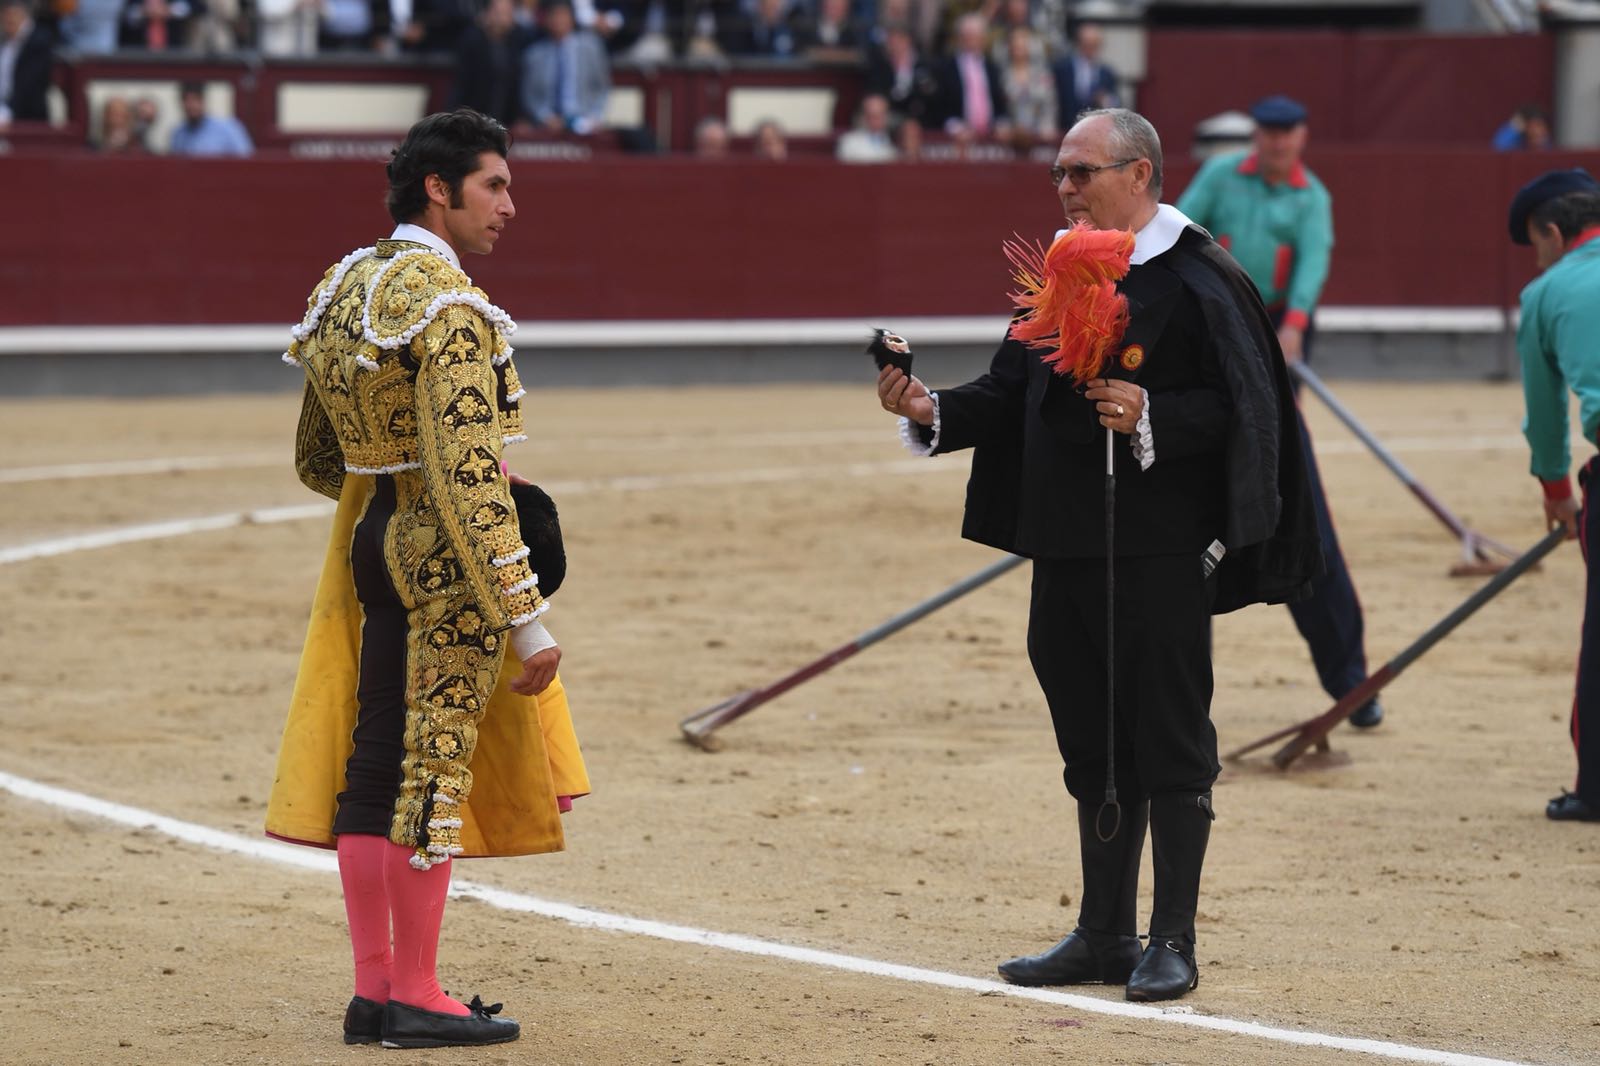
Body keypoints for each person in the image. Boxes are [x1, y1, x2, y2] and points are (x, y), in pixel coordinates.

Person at [877, 108, 1319, 1002]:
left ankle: (1173, 938)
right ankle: (1105, 933)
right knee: (1090, 735)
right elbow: (1011, 392)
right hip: (1066, 541)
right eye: (1059, 174)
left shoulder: (1197, 273)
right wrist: (932, 408)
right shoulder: (1059, 274)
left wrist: (1155, 414)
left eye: (1083, 172)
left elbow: (1247, 406)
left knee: (1169, 733)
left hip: (1162, 545)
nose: (1066, 189)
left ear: (1140, 174)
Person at [265, 108, 590, 1048]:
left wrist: (394, 480)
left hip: (374, 543)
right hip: (442, 564)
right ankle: (415, 991)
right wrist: (526, 620)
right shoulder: (449, 308)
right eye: (495, 185)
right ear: (439, 190)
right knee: (431, 776)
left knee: (374, 771)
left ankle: (375, 992)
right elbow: (464, 476)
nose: (510, 207)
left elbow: (318, 459)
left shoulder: (344, 287)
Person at [1176, 93, 1383, 730]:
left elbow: (1312, 266)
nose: (1276, 142)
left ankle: (1350, 681)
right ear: (1257, 138)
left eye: (1286, 133)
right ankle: (1177, 696)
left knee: (1291, 498)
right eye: (1267, 133)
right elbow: (1176, 234)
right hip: (1209, 325)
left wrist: (1293, 325)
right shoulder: (1220, 175)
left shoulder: (1311, 197)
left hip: (1274, 331)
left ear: (1300, 137)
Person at [1506, 168, 1600, 822]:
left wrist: (1559, 492)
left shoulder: (1548, 291)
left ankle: (1596, 787)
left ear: (1552, 233)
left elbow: (1545, 418)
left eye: (1536, 244)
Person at [521, 0, 610, 136]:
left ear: (572, 18)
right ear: (546, 20)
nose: (558, 20)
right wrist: (545, 117)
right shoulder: (535, 54)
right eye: (554, 15)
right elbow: (530, 95)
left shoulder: (591, 47)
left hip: (585, 122)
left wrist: (594, 117)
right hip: (547, 125)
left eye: (563, 15)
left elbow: (602, 87)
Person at [448, 0, 533, 126]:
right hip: (474, 113)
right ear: (487, 14)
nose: (501, 19)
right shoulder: (473, 40)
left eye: (506, 13)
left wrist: (521, 116)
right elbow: (462, 83)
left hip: (507, 115)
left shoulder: (519, 41)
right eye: (497, 13)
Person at [932, 13, 1009, 143]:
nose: (971, 40)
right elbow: (938, 106)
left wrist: (1001, 125)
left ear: (983, 39)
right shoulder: (945, 68)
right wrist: (955, 127)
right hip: (957, 138)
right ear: (959, 38)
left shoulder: (992, 68)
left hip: (991, 137)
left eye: (975, 36)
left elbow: (999, 103)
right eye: (966, 36)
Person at [1051, 20, 1118, 131]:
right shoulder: (1061, 69)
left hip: (1095, 130)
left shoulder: (1107, 73)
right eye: (1087, 44)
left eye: (1094, 45)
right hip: (1065, 129)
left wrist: (1105, 99)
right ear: (1078, 43)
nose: (1090, 49)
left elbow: (1116, 104)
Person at [0, 0, 52, 127]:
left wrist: (8, 113)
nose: (7, 20)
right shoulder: (4, 41)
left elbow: (28, 85)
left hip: (25, 113)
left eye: (12, 15)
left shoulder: (39, 42)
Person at [168, 80, 254, 156]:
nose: (191, 105)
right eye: (186, 100)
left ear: (203, 101)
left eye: (195, 99)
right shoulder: (179, 134)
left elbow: (246, 159)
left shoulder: (228, 128)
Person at [836, 91, 897, 163]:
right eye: (871, 115)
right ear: (862, 116)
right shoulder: (848, 142)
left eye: (880, 115)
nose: (875, 119)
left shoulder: (896, 141)